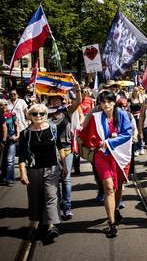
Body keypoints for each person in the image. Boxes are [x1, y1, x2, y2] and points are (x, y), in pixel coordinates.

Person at [79, 91, 133, 237]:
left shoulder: (122, 114)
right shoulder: (96, 117)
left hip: (120, 155)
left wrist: (110, 141)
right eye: (103, 102)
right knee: (109, 188)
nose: (106, 105)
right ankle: (112, 224)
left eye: (109, 101)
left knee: (119, 185)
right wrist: (95, 142)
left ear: (114, 102)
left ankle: (115, 209)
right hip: (102, 156)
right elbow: (87, 134)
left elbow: (128, 133)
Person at [18, 103, 66, 243]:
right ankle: (39, 224)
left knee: (51, 196)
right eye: (35, 114)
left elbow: (60, 146)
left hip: (52, 169)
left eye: (41, 114)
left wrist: (64, 165)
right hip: (33, 170)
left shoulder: (53, 129)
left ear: (46, 115)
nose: (38, 116)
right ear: (30, 116)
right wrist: (22, 173)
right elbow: (21, 155)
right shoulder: (25, 133)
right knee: (36, 198)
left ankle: (51, 226)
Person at [47, 83, 82, 220]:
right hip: (51, 150)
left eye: (57, 99)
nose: (55, 101)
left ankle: (66, 207)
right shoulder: (44, 112)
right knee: (54, 179)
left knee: (66, 178)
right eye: (53, 99)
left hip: (67, 148)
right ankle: (56, 205)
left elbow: (78, 101)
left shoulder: (66, 110)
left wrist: (77, 89)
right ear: (49, 101)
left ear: (61, 100)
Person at [0, 99, 18, 186]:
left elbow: (16, 125)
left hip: (11, 140)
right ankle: (3, 177)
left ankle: (10, 179)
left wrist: (17, 135)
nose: (3, 107)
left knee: (10, 160)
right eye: (1, 105)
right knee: (3, 160)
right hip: (2, 141)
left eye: (5, 105)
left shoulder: (12, 114)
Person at [129, 87, 145, 156]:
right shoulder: (130, 99)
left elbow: (143, 107)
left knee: (140, 132)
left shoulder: (141, 99)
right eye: (134, 91)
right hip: (132, 117)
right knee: (134, 132)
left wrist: (141, 96)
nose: (135, 92)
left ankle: (141, 147)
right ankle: (136, 149)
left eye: (137, 91)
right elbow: (128, 109)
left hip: (140, 117)